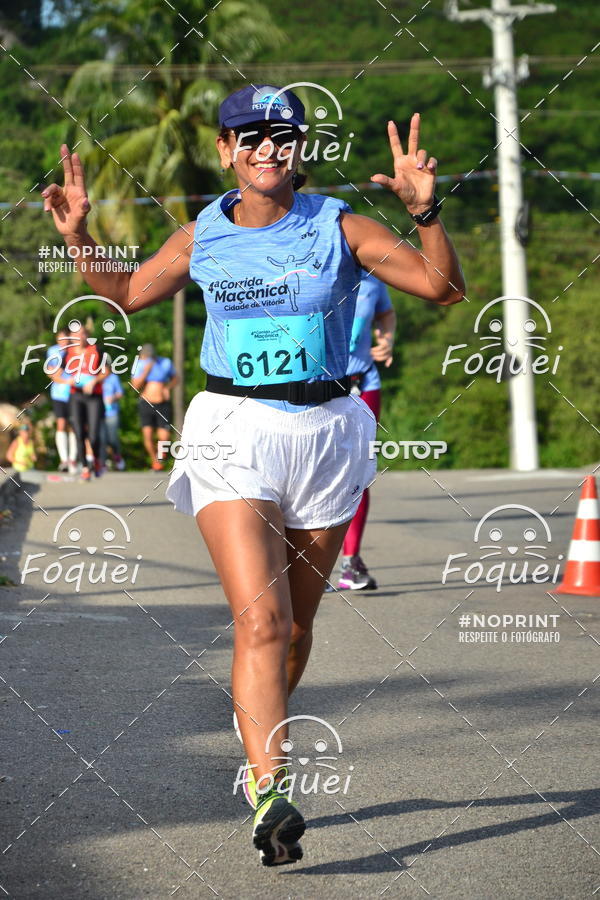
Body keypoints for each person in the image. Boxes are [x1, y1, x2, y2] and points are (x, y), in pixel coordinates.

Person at [42, 84, 465, 866]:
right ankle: (272, 788)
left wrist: (427, 214)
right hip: (233, 429)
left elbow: (442, 287)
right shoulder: (201, 233)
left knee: (297, 629)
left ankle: (254, 740)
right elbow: (124, 294)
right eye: (252, 136)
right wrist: (80, 236)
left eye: (284, 136)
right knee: (261, 623)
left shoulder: (341, 225)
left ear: (300, 148)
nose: (268, 148)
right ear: (226, 149)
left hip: (327, 431)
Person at [337, 270, 397, 590]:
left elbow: (386, 313)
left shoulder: (374, 280)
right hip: (310, 388)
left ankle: (350, 562)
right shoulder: (305, 271)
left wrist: (386, 341)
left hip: (362, 384)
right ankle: (297, 564)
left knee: (357, 474)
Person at [56, 323, 109, 481]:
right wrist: (68, 382)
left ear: (87, 335)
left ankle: (97, 460)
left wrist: (93, 382)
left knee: (93, 435)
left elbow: (107, 370)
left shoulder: (97, 350)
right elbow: (55, 373)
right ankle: (85, 467)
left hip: (94, 396)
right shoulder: (68, 353)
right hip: (76, 396)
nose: (80, 337)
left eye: (82, 334)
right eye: (76, 335)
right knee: (79, 432)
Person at [131, 344, 178, 471]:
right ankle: (155, 461)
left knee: (164, 436)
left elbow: (175, 378)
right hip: (146, 402)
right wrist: (146, 370)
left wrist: (167, 388)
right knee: (148, 434)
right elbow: (135, 385)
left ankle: (160, 456)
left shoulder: (165, 363)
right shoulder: (140, 365)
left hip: (162, 403)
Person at [46, 329, 77, 473]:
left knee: (73, 425)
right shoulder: (52, 351)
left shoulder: (74, 350)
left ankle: (73, 459)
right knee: (61, 423)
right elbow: (52, 373)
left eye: (65, 339)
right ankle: (63, 460)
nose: (63, 342)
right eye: (60, 339)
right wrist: (66, 380)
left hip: (73, 393)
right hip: (58, 394)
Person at [99, 370, 125, 470]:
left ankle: (117, 458)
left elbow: (120, 392)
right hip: (99, 413)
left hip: (112, 413)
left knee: (112, 439)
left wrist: (113, 398)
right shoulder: (95, 378)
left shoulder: (113, 378)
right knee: (102, 439)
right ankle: (102, 463)